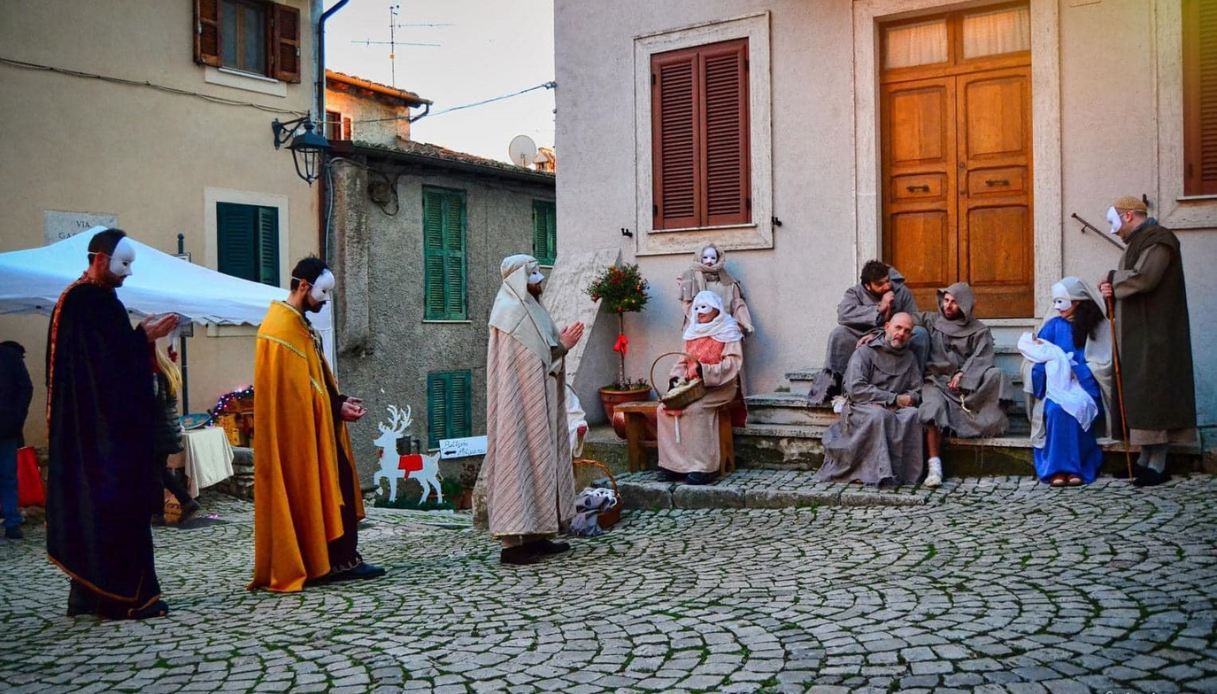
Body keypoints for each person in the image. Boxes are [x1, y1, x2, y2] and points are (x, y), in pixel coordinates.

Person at [46, 228, 177, 619]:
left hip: (94, 431)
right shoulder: (89, 302)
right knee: (115, 510)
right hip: (105, 436)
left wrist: (139, 341)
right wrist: (143, 338)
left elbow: (101, 364)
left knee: (96, 509)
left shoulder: (83, 301)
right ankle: (122, 598)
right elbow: (108, 369)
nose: (128, 273)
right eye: (123, 265)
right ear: (99, 259)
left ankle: (86, 596)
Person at [250, 256, 383, 592]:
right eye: (322, 292)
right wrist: (335, 407)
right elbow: (294, 397)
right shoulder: (279, 330)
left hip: (317, 428)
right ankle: (334, 561)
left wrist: (340, 402)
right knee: (325, 485)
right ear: (304, 286)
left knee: (338, 483)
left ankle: (338, 559)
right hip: (299, 437)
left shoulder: (297, 324)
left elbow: (314, 384)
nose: (326, 300)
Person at [483, 254, 584, 565]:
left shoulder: (531, 309)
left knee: (539, 460)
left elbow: (545, 354)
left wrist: (559, 346)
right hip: (519, 408)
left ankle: (538, 535)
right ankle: (514, 543)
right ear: (519, 278)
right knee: (520, 461)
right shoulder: (510, 313)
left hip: (538, 404)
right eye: (534, 274)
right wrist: (562, 346)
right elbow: (528, 365)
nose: (540, 280)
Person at [1099, 196, 1197, 487]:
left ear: (1129, 215)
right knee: (1140, 394)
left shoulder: (1159, 240)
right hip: (1137, 333)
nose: (1113, 230)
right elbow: (1127, 280)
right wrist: (1110, 286)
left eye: (1114, 222)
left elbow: (1144, 278)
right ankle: (1143, 460)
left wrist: (1113, 279)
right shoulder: (1138, 244)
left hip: (1157, 334)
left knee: (1154, 393)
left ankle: (1158, 463)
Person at [916, 282, 1013, 487]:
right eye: (946, 301)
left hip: (968, 386)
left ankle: (984, 421)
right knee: (932, 408)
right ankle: (935, 467)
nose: (948, 306)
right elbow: (902, 323)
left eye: (954, 302)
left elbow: (983, 356)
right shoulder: (931, 321)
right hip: (936, 381)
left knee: (997, 375)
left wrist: (964, 374)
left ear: (965, 306)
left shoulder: (979, 330)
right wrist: (876, 334)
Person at [1019, 278, 1112, 487]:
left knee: (1076, 408)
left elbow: (1104, 363)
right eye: (1055, 302)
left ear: (1078, 301)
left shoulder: (1096, 327)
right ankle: (1056, 468)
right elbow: (1036, 356)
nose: (1056, 307)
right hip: (1055, 389)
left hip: (1084, 388)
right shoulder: (1053, 326)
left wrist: (1077, 370)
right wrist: (1047, 370)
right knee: (1055, 410)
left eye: (1062, 301)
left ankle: (1076, 467)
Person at [816, 313, 924, 486]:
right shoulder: (865, 352)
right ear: (887, 326)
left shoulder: (910, 358)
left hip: (896, 409)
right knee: (879, 415)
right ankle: (876, 473)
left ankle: (904, 475)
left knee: (913, 415)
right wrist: (894, 398)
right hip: (862, 406)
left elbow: (917, 389)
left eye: (906, 331)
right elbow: (855, 388)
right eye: (898, 327)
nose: (901, 333)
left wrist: (911, 397)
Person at [656, 291, 744, 485]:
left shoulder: (728, 330)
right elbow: (681, 361)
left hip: (719, 387)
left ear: (716, 309)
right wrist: (676, 380)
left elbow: (733, 364)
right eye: (696, 308)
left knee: (695, 410)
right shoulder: (692, 331)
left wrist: (704, 370)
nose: (699, 312)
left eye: (704, 307)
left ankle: (703, 467)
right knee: (664, 409)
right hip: (691, 387)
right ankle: (673, 466)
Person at [807, 260, 926, 404]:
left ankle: (915, 388)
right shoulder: (855, 293)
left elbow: (913, 318)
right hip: (860, 335)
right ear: (867, 286)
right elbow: (843, 315)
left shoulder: (901, 291)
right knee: (839, 334)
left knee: (920, 333)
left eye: (887, 281)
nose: (887, 286)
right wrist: (879, 308)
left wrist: (880, 332)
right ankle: (839, 385)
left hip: (891, 335)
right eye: (880, 284)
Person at [150, 342, 199, 523]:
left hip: (157, 431)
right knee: (158, 471)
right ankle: (184, 502)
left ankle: (158, 513)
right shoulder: (167, 369)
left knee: (155, 472)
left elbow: (154, 401)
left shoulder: (154, 372)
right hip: (167, 428)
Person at [677, 243, 754, 334]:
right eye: (705, 257)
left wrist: (745, 323)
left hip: (724, 327)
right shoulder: (689, 278)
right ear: (699, 257)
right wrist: (705, 321)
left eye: (713, 258)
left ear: (718, 259)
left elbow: (737, 304)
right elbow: (687, 304)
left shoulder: (728, 281)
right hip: (698, 329)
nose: (709, 261)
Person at [0, 340, 33, 540]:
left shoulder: (9, 356)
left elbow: (25, 388)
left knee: (8, 475)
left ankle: (12, 521)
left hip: (7, 425)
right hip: (7, 426)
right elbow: (26, 388)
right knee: (8, 476)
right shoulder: (11, 357)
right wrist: (17, 417)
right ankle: (12, 522)